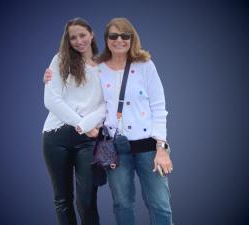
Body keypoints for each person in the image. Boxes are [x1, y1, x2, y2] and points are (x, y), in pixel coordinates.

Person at [97, 17, 173, 225]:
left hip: (148, 147)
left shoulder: (145, 65)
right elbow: (85, 97)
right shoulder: (98, 68)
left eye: (125, 35)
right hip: (115, 148)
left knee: (159, 203)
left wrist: (161, 147)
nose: (119, 40)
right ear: (106, 39)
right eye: (113, 35)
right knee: (122, 204)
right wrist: (52, 78)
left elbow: (159, 106)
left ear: (132, 39)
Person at [42, 17, 105, 225]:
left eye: (82, 35)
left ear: (91, 34)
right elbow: (51, 100)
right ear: (68, 41)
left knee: (87, 201)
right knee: (62, 199)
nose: (79, 41)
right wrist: (82, 124)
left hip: (89, 140)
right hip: (56, 135)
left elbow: (107, 106)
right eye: (73, 38)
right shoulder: (60, 60)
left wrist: (87, 127)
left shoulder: (104, 66)